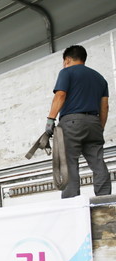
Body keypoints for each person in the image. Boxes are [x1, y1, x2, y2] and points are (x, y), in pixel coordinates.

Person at [46, 45, 111, 198]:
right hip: (94, 122)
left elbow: (60, 95)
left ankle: (71, 205)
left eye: (64, 62)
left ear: (67, 59)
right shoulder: (100, 78)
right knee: (98, 163)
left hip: (71, 123)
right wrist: (99, 127)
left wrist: (50, 120)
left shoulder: (66, 72)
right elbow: (105, 106)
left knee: (69, 164)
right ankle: (105, 201)